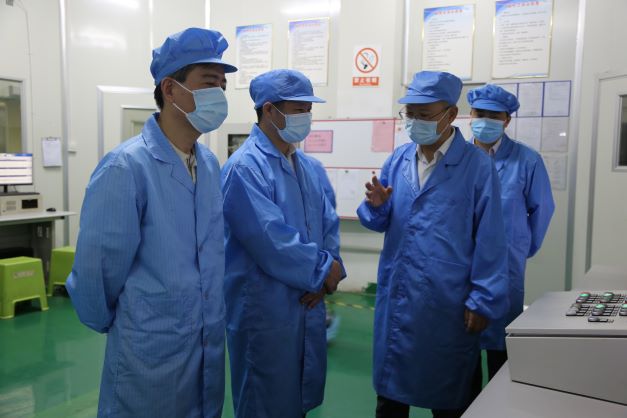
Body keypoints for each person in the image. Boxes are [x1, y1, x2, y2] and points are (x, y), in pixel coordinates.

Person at [66, 27, 237, 418]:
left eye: (223, 86)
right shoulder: (126, 168)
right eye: (209, 83)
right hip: (149, 349)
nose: (219, 94)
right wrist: (137, 322)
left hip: (206, 345)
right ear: (171, 89)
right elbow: (96, 271)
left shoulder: (209, 165)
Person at [357, 71, 509, 418]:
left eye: (424, 115)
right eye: (410, 114)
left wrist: (483, 299)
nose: (415, 122)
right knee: (390, 398)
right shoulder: (398, 160)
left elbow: (491, 239)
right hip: (399, 295)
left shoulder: (477, 167)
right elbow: (379, 221)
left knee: (450, 397)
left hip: (448, 302)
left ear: (451, 114)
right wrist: (377, 207)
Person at [221, 69, 345, 418]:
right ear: (269, 110)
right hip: (264, 308)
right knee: (264, 400)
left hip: (307, 302)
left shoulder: (309, 167)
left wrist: (329, 272)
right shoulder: (244, 168)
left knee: (297, 398)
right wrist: (321, 272)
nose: (306, 116)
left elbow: (328, 224)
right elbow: (270, 239)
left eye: (309, 109)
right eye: (298, 109)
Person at [467, 84, 555, 385]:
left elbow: (542, 209)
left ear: (507, 120)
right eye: (481, 113)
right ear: (470, 115)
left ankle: (498, 401)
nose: (486, 121)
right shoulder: (456, 158)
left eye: (495, 115)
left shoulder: (527, 160)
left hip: (505, 265)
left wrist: (521, 246)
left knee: (500, 343)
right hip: (460, 262)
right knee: (461, 347)